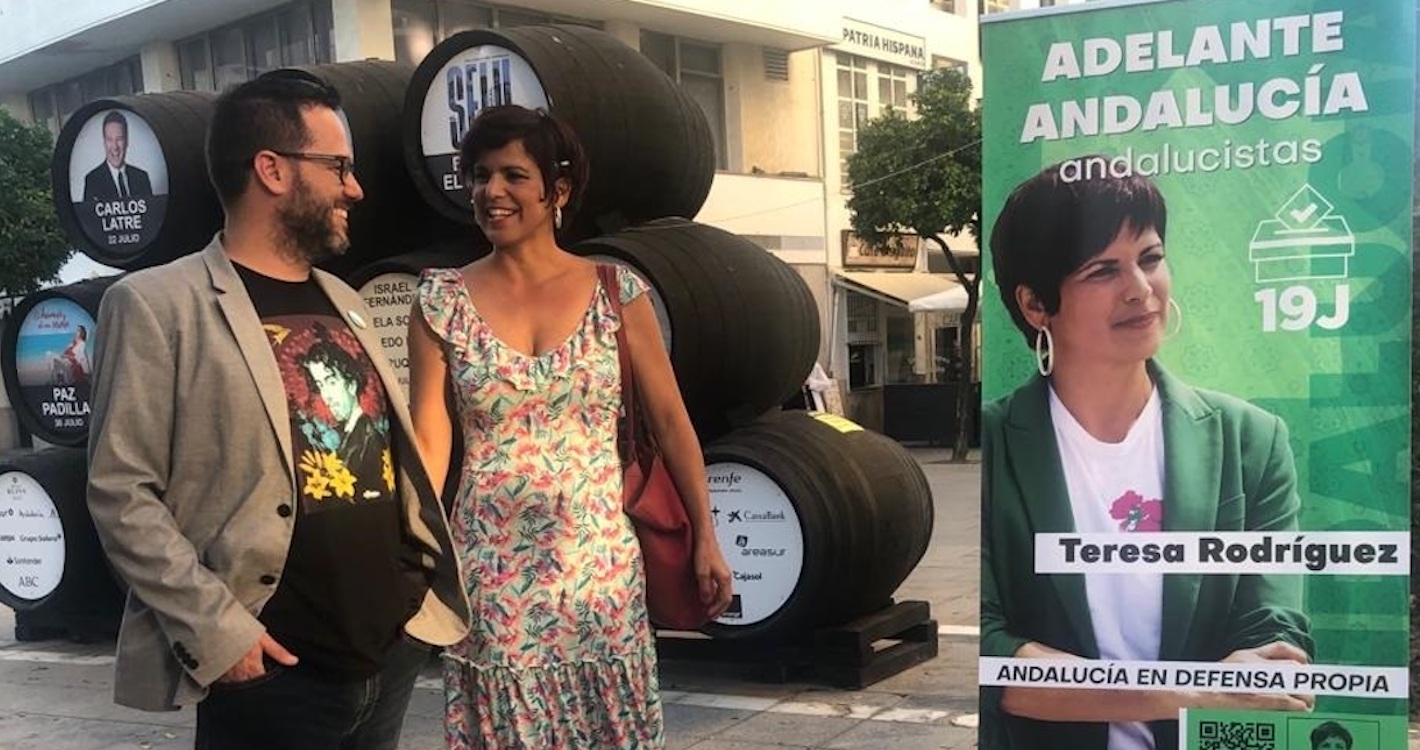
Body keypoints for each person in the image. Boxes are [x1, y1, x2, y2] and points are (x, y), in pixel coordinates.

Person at [85, 69, 470, 750]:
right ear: (272, 169)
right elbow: (121, 492)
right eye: (338, 167)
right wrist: (219, 634)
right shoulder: (156, 304)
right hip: (274, 675)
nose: (355, 187)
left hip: (388, 651)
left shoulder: (345, 298)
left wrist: (414, 604)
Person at [406, 104, 734, 749]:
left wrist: (706, 537)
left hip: (599, 565)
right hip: (491, 566)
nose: (490, 192)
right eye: (478, 175)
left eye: (512, 175)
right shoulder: (439, 300)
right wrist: (415, 553)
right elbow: (430, 437)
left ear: (557, 191)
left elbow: (672, 423)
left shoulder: (617, 292)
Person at [979, 161, 1314, 750]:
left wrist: (1267, 668)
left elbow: (1275, 624)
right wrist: (1191, 692)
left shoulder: (1251, 440)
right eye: (1102, 270)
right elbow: (992, 652)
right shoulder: (997, 446)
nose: (1140, 287)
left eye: (1150, 257)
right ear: (1035, 305)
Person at [82, 110, 153, 201]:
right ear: (104, 143)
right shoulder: (92, 180)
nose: (115, 147)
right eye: (110, 140)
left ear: (126, 141)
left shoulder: (142, 178)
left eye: (119, 139)